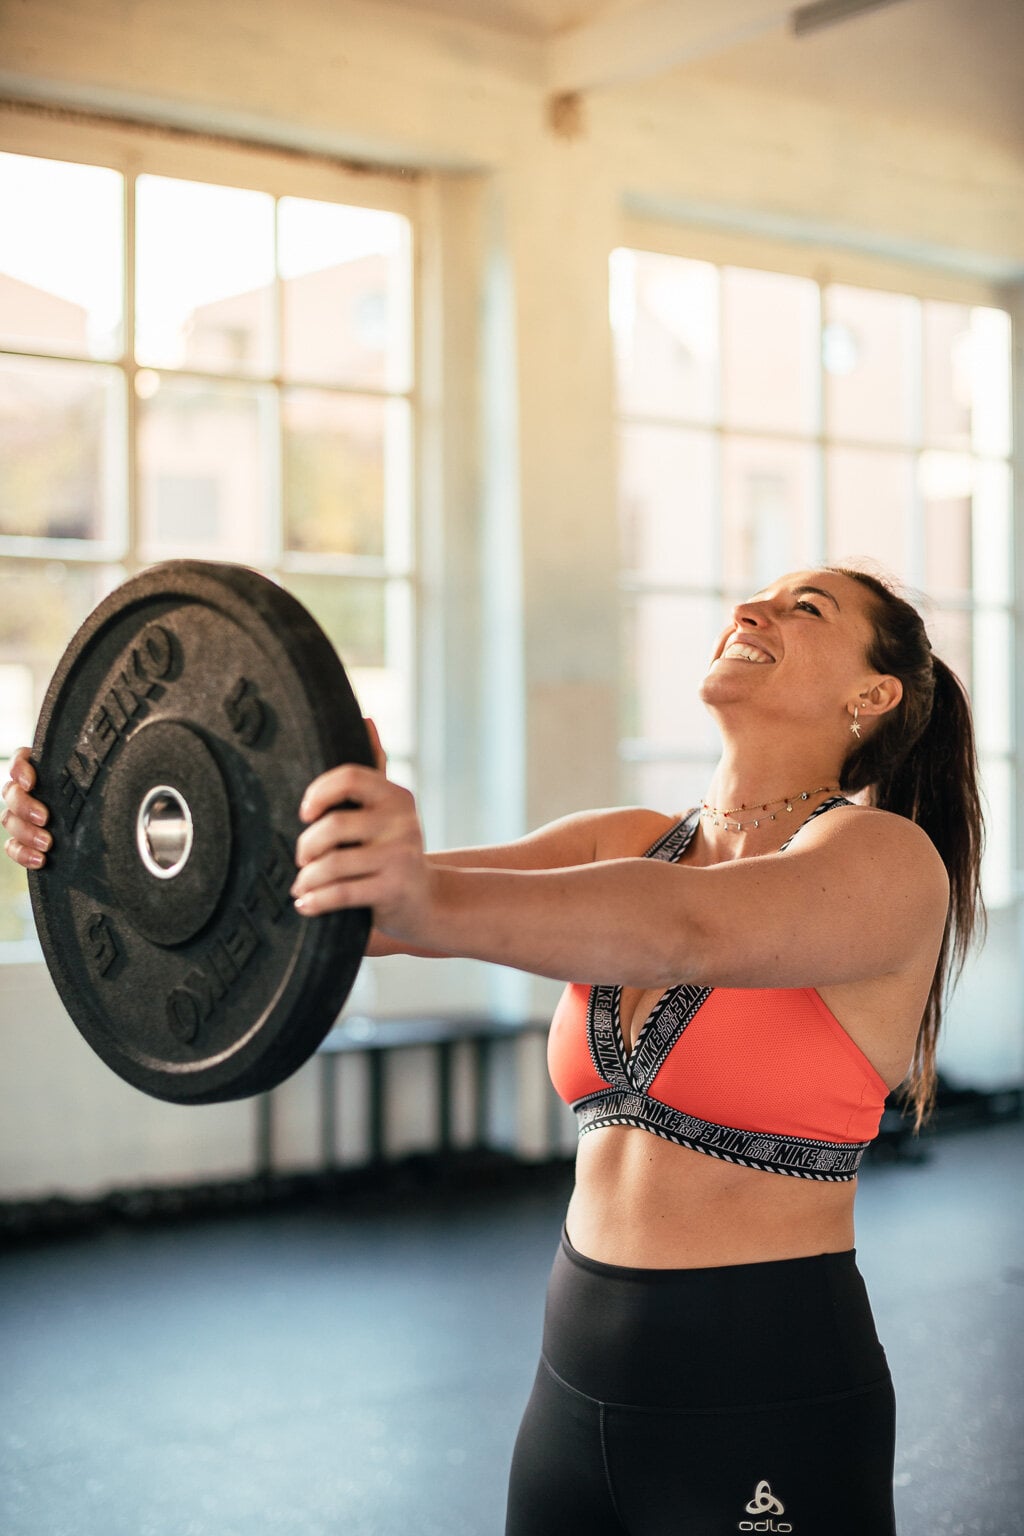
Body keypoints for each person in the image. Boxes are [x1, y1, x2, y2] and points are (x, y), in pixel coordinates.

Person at [4, 566, 984, 1536]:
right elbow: (362, 918)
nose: (750, 607)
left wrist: (415, 890)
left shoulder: (884, 860)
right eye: (760, 592)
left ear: (872, 694)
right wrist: (97, 840)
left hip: (767, 1392)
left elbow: (684, 930)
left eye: (805, 607)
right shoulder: (626, 841)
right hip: (571, 1388)